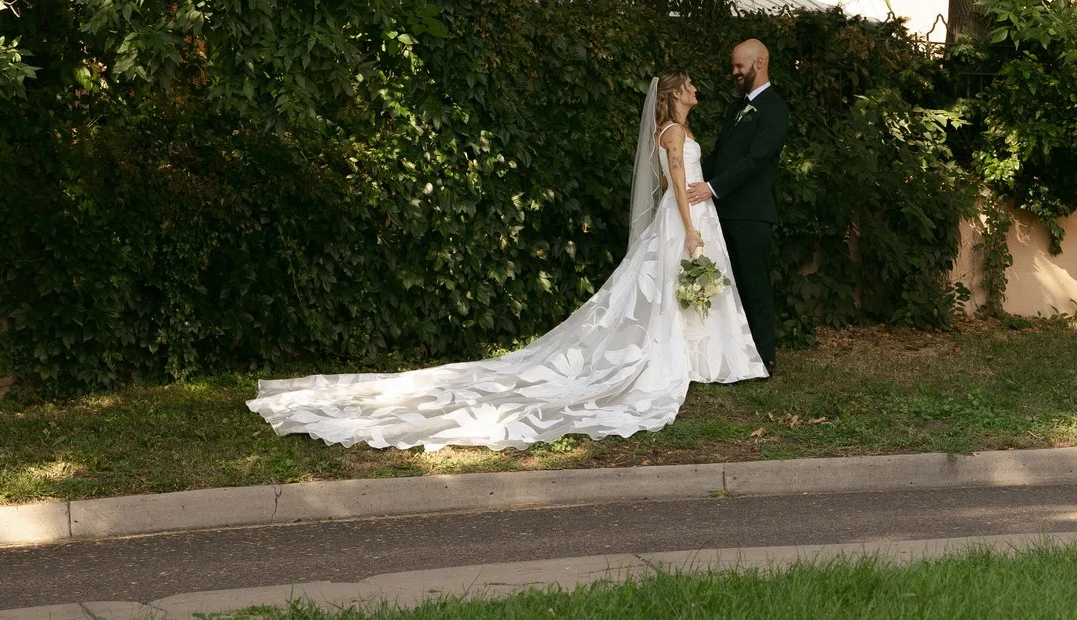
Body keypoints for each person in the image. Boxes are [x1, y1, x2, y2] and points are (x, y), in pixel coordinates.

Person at [247, 72, 765, 451]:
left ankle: (704, 358)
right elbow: (676, 181)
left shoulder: (683, 131)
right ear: (675, 95)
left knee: (680, 292)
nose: (698, 92)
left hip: (696, 216)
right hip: (684, 222)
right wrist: (691, 229)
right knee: (669, 292)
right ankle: (684, 359)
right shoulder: (672, 134)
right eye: (691, 87)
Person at [688, 38, 787, 370]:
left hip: (752, 213)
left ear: (759, 63)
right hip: (723, 211)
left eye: (739, 66)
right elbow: (722, 155)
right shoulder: (735, 107)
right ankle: (733, 353)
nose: (734, 72)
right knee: (726, 285)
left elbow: (756, 159)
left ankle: (764, 357)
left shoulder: (774, 108)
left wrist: (711, 188)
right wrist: (689, 177)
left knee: (754, 284)